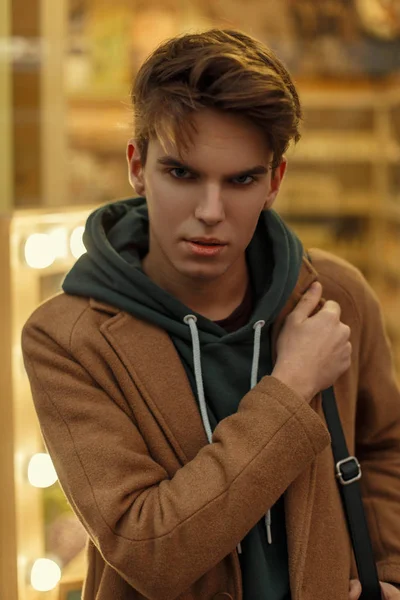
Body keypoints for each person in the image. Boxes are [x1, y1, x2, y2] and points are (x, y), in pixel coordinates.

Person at [21, 28, 400, 600]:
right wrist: (291, 385)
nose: (209, 212)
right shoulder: (68, 338)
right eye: (182, 173)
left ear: (274, 181)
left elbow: (385, 446)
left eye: (241, 180)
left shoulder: (335, 296)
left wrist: (385, 574)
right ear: (136, 164)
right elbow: (149, 552)